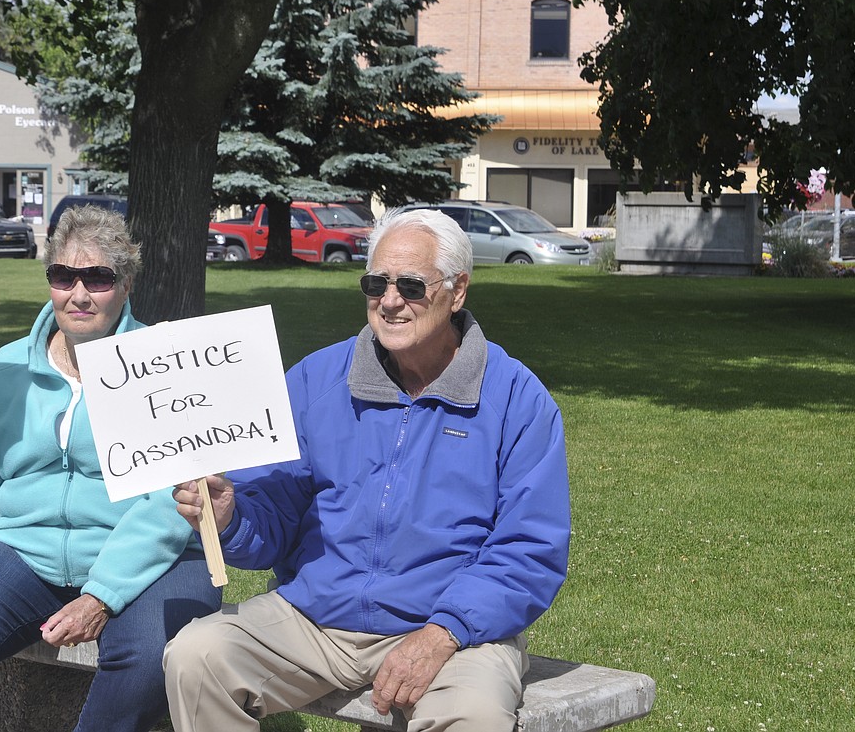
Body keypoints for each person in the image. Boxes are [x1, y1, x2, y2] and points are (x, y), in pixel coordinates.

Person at [166, 208, 571, 732]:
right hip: (315, 619)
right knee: (195, 657)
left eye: (411, 285)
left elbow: (529, 549)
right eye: (376, 282)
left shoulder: (517, 398)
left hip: (450, 632)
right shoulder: (316, 379)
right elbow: (275, 514)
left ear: (458, 290)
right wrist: (231, 517)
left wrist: (442, 633)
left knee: (472, 716)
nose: (391, 299)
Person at [0, 205, 221, 732]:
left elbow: (168, 505)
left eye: (99, 278)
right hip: (26, 551)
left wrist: (102, 595)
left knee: (147, 657)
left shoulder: (163, 364)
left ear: (126, 284)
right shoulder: (5, 367)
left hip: (152, 558)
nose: (79, 294)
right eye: (64, 276)